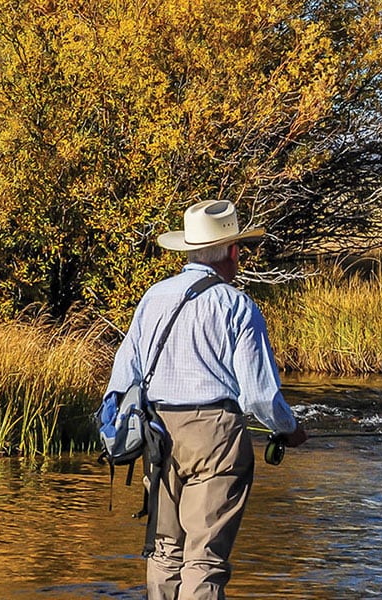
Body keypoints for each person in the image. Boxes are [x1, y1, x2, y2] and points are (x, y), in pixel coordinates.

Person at [104, 200, 308, 599]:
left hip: (156, 435)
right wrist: (291, 429)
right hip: (216, 438)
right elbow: (259, 396)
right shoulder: (238, 306)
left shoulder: (154, 297)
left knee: (163, 550)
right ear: (232, 252)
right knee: (205, 559)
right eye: (239, 250)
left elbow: (123, 375)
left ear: (191, 249)